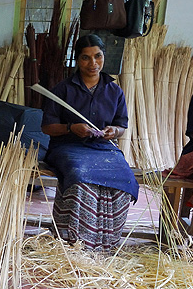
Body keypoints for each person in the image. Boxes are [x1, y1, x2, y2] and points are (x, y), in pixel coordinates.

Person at [41, 34, 138, 250]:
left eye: (98, 56)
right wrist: (70, 128)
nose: (93, 63)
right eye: (86, 58)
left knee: (124, 181)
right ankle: (76, 244)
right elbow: (47, 127)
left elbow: (122, 125)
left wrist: (114, 131)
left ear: (104, 57)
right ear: (77, 59)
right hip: (68, 147)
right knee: (80, 177)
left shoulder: (114, 91)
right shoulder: (63, 89)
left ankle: (106, 244)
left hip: (103, 148)